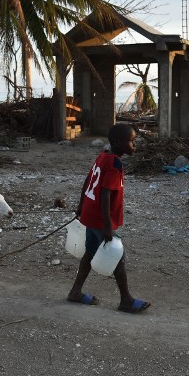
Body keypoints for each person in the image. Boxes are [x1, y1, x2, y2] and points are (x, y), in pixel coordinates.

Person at [67, 123, 151, 313]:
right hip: (100, 218)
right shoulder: (115, 163)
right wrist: (107, 225)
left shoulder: (103, 156)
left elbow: (88, 181)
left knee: (89, 253)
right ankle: (126, 300)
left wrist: (81, 206)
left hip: (91, 213)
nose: (134, 146)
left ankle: (75, 291)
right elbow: (105, 194)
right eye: (131, 141)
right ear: (119, 143)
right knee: (117, 255)